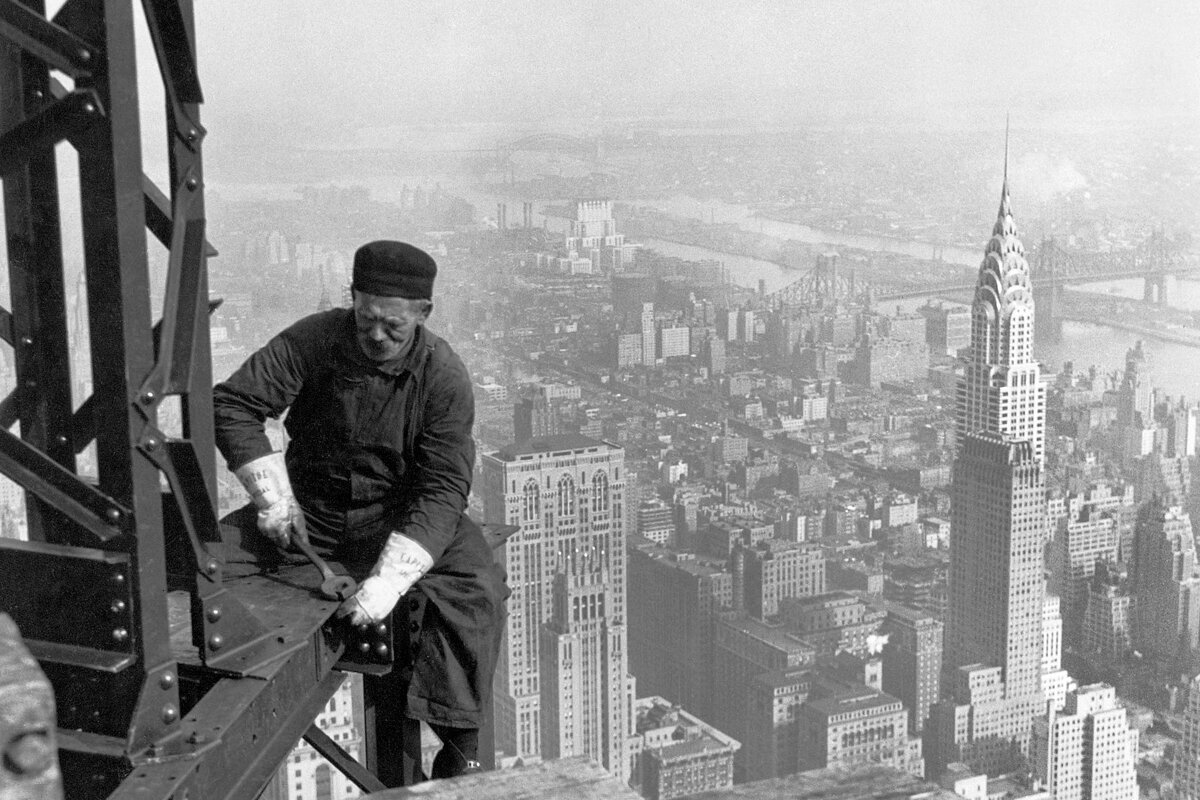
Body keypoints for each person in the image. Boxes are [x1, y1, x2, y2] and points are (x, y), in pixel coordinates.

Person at [213, 240, 507, 780]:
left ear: (423, 315)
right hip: (310, 511)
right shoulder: (315, 339)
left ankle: (463, 745)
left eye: (393, 326)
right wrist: (274, 500)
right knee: (206, 562)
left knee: (475, 582)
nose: (376, 335)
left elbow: (443, 489)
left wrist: (388, 584)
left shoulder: (443, 377)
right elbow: (234, 403)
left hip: (399, 517)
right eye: (366, 318)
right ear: (352, 300)